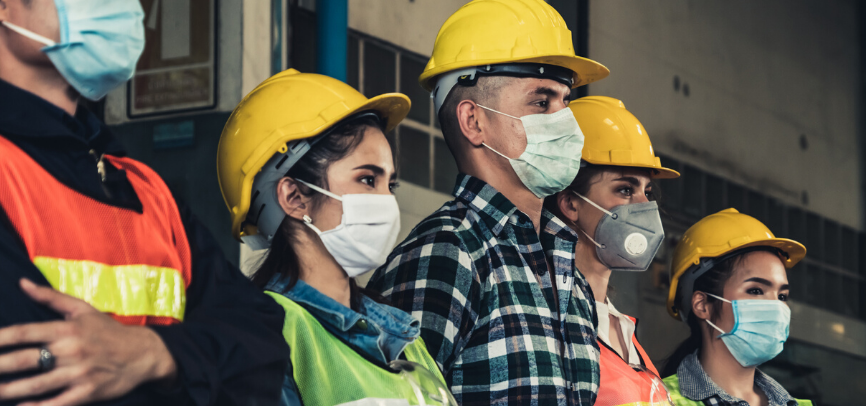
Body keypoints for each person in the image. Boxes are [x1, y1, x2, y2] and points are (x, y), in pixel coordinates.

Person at [0, 1, 288, 404]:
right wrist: (196, 366)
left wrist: (153, 353)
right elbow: (27, 376)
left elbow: (264, 351)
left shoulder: (144, 188)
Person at [367, 0, 610, 404]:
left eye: (566, 101)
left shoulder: (567, 269)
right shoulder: (448, 253)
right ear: (473, 121)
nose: (565, 121)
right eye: (541, 102)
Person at [216, 68, 456, 406]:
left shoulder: (403, 336)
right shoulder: (262, 335)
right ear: (294, 197)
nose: (387, 200)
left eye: (391, 184)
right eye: (368, 180)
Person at [544, 96, 680, 405]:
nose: (646, 206)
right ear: (570, 203)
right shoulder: (547, 319)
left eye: (647, 191)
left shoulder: (623, 329)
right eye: (625, 189)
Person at [662, 209, 814, 406]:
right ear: (702, 305)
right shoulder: (657, 400)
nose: (776, 307)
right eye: (756, 291)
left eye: (782, 296)